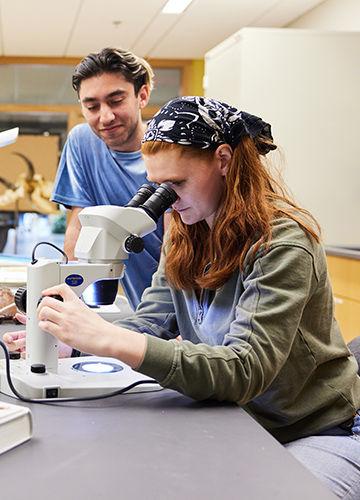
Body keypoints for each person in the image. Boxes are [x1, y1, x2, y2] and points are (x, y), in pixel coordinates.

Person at [5, 96, 360, 498]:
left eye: (176, 184)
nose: (168, 199)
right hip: (235, 418)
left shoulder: (282, 243)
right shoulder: (185, 230)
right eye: (158, 187)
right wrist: (79, 342)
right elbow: (151, 321)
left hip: (312, 429)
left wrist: (111, 339)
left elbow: (245, 370)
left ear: (223, 160)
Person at [51, 47, 166, 309]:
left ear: (142, 95)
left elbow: (177, 248)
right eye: (92, 106)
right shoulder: (82, 143)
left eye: (116, 101)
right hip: (134, 303)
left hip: (179, 299)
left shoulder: (167, 151)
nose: (105, 116)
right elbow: (79, 225)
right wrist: (71, 303)